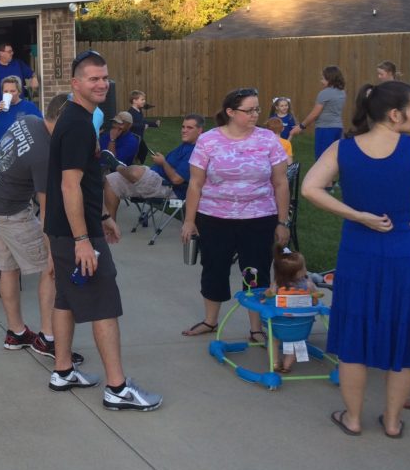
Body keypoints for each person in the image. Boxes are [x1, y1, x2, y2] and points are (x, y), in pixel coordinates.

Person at [43, 50, 162, 410]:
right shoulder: (78, 125)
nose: (101, 84)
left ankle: (63, 370)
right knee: (104, 304)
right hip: (75, 233)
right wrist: (83, 239)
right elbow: (69, 186)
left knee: (66, 299)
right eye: (93, 78)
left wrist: (104, 215)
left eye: (104, 77)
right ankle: (117, 388)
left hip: (66, 228)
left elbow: (86, 180)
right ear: (75, 83)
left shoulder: (77, 117)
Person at [301, 80, 410, 437]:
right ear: (395, 114)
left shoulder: (343, 148)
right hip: (406, 252)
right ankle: (393, 422)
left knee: (355, 335)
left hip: (358, 252)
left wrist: (357, 215)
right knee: (406, 335)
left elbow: (310, 188)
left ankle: (352, 419)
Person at [180, 88, 291, 341]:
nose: (255, 114)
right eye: (249, 110)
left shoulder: (268, 139)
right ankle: (210, 321)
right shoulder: (208, 140)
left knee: (256, 271)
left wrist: (282, 222)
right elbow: (195, 183)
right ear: (230, 112)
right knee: (214, 268)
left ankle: (256, 328)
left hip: (259, 218)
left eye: (257, 109)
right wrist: (189, 220)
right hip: (214, 218)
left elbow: (281, 182)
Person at [0, 93, 83, 364]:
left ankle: (16, 333)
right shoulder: (44, 154)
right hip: (12, 214)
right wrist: (52, 252)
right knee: (51, 269)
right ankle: (48, 338)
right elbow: (48, 211)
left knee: (8, 269)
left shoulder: (28, 120)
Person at [103, 114, 203, 219]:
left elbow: (176, 180)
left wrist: (163, 162)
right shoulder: (185, 145)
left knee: (136, 171)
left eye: (189, 128)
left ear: (199, 130)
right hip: (154, 182)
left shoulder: (196, 152)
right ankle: (110, 225)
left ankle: (118, 166)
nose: (184, 130)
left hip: (168, 188)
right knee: (111, 180)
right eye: (183, 127)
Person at [263, 244, 321, 374]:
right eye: (304, 267)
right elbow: (315, 301)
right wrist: (313, 301)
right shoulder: (308, 285)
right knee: (296, 340)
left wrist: (264, 297)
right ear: (298, 272)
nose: (306, 269)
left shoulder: (277, 285)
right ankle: (287, 365)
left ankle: (275, 363)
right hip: (300, 324)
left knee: (273, 339)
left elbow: (268, 297)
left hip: (279, 323)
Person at [291, 65, 346, 162]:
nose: (321, 81)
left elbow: (314, 114)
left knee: (322, 159)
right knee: (334, 158)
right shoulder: (342, 92)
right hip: (338, 128)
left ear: (330, 79)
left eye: (323, 78)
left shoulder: (324, 93)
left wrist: (301, 126)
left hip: (325, 130)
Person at [0, 75, 42, 142]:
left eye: (12, 91)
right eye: (6, 91)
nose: (9, 94)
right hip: (1, 147)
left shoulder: (29, 106)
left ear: (19, 92)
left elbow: (41, 126)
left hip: (22, 147)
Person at [0, 43, 37, 110]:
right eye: (9, 51)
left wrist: (34, 78)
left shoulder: (18, 64)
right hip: (1, 107)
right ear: (1, 53)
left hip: (19, 106)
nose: (12, 53)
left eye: (12, 51)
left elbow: (32, 74)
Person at [127, 90, 160, 163]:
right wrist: (142, 126)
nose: (144, 101)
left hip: (139, 137)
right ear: (135, 101)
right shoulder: (130, 112)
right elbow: (130, 125)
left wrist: (154, 124)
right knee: (141, 151)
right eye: (142, 99)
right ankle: (134, 163)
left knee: (142, 151)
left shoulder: (139, 110)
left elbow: (142, 121)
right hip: (133, 138)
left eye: (144, 99)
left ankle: (136, 162)